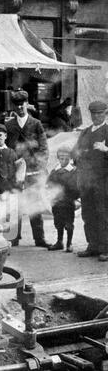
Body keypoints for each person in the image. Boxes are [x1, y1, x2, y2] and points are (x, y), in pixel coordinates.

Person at [6, 89, 50, 248]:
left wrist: (40, 165)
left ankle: (39, 238)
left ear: (27, 104)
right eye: (16, 105)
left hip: (33, 170)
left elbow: (44, 147)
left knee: (34, 204)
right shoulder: (9, 125)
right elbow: (6, 148)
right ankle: (13, 238)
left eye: (22, 104)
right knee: (14, 204)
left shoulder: (36, 123)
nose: (19, 108)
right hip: (15, 172)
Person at [72, 100, 108, 261]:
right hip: (86, 181)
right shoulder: (85, 132)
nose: (96, 116)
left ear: (105, 114)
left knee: (103, 213)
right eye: (93, 113)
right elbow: (75, 152)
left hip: (103, 180)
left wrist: (106, 149)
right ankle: (92, 245)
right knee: (88, 213)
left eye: (100, 113)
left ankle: (105, 247)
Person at [46, 147, 79, 252]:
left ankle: (69, 244)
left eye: (66, 158)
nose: (63, 160)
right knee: (58, 222)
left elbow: (77, 187)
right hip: (56, 202)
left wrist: (74, 197)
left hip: (68, 202)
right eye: (61, 158)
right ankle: (59, 242)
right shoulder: (54, 171)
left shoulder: (74, 171)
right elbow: (48, 185)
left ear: (70, 158)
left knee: (69, 224)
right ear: (58, 158)